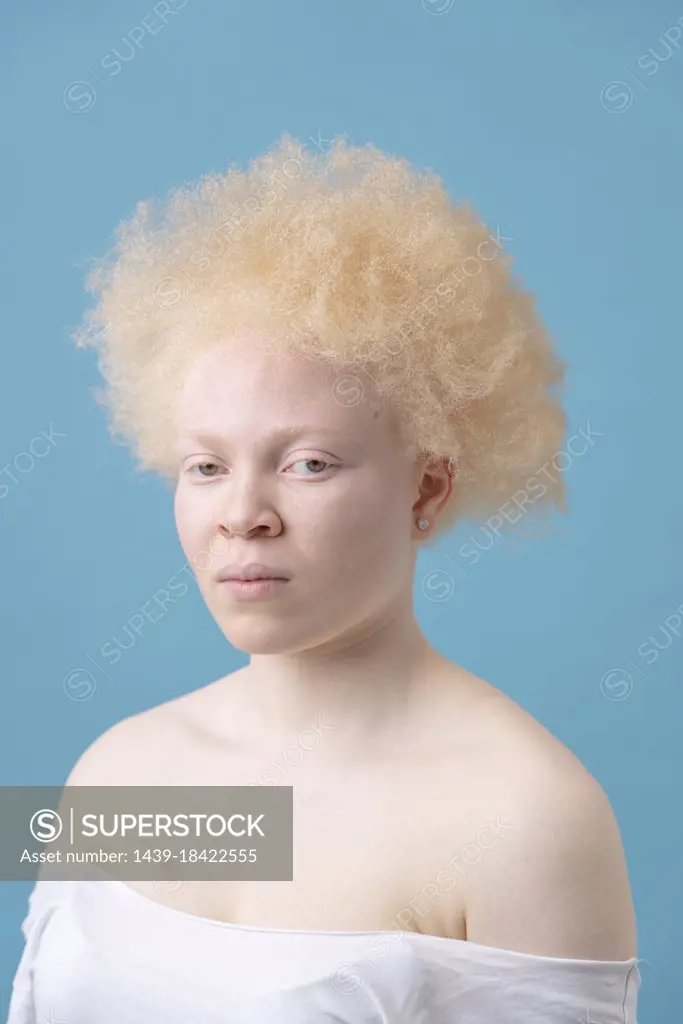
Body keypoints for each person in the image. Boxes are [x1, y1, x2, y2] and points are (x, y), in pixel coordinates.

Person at [8, 135, 641, 1022]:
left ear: (427, 484)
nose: (243, 513)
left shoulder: (526, 816)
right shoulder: (118, 770)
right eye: (204, 467)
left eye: (306, 463)